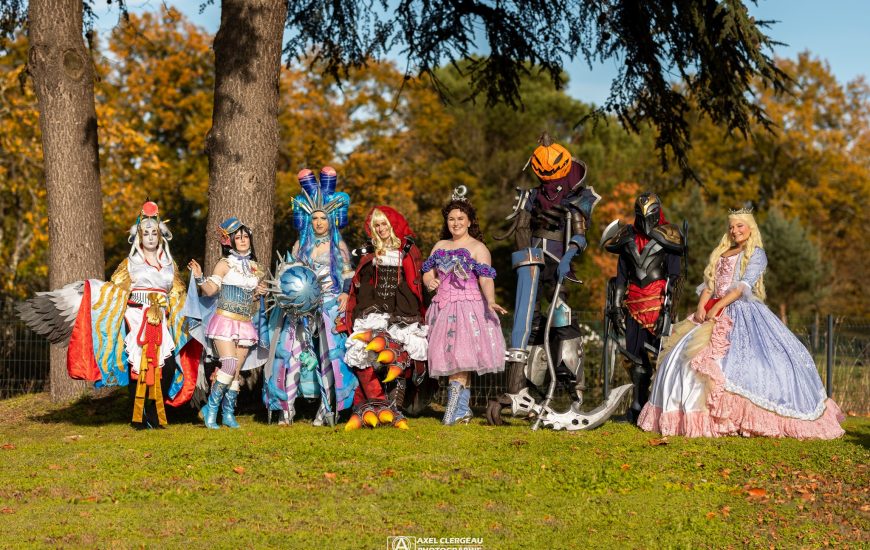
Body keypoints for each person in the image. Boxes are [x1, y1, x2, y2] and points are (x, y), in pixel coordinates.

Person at [637, 209, 845, 439]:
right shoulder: (723, 252)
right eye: (731, 227)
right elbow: (710, 283)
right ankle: (690, 416)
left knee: (749, 361)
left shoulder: (756, 253)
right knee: (685, 358)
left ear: (750, 228)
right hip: (712, 309)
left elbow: (741, 287)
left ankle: (735, 417)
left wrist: (718, 306)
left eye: (739, 226)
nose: (734, 231)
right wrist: (702, 306)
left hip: (740, 311)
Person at [19, 201, 201, 429]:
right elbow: (116, 289)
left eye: (154, 233)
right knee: (138, 367)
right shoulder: (130, 263)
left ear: (160, 235)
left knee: (167, 365)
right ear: (139, 236)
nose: (150, 237)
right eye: (146, 233)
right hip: (136, 318)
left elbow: (178, 293)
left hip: (161, 318)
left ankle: (155, 414)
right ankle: (138, 418)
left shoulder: (169, 265)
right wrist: (88, 292)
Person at [487, 133, 601, 425]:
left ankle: (574, 392)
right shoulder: (531, 196)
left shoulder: (578, 195)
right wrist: (525, 258)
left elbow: (580, 234)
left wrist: (569, 256)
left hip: (559, 261)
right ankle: (522, 389)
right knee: (529, 322)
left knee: (562, 318)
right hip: (532, 261)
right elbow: (521, 228)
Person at [265, 167, 358, 426]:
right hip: (299, 309)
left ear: (331, 220)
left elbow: (348, 274)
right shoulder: (300, 245)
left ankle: (326, 409)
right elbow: (289, 273)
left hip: (329, 305)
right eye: (314, 218)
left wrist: (344, 293)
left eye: (323, 218)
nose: (318, 222)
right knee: (290, 353)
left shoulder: (338, 246)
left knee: (330, 355)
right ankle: (285, 408)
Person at [422, 186, 506, 425]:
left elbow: (486, 278)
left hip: (468, 308)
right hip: (443, 307)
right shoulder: (439, 245)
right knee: (451, 358)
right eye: (451, 219)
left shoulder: (478, 248)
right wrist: (430, 282)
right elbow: (427, 272)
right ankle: (462, 410)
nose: (456, 223)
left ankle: (452, 411)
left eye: (461, 218)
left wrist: (491, 300)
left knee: (462, 356)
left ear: (469, 221)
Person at [601, 192, 684, 424]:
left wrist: (668, 311)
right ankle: (637, 409)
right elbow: (621, 277)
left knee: (660, 358)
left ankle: (660, 410)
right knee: (635, 358)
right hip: (633, 305)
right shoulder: (627, 237)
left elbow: (674, 278)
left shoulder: (670, 236)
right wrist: (616, 306)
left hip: (658, 304)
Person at [342, 206, 428, 430]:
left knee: (399, 353)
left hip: (402, 309)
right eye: (377, 225)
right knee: (363, 350)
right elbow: (361, 280)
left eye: (384, 224)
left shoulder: (408, 249)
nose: (380, 229)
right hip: (375, 310)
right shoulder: (370, 250)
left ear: (393, 225)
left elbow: (415, 282)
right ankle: (376, 402)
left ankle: (394, 406)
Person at [188, 217, 267, 429]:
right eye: (238, 237)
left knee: (236, 370)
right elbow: (211, 290)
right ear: (229, 241)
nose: (243, 240)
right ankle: (211, 410)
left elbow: (252, 299)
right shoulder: (224, 264)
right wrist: (199, 278)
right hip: (224, 320)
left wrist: (260, 293)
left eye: (245, 236)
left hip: (245, 323)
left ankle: (228, 413)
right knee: (229, 364)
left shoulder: (256, 267)